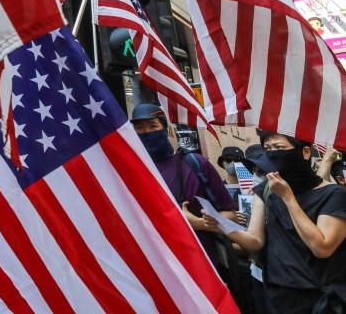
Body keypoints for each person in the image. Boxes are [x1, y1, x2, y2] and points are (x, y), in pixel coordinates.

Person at [224, 131, 346, 311]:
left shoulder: (334, 195)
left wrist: (288, 198)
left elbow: (322, 248)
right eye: (268, 149)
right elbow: (255, 240)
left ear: (305, 152)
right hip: (277, 295)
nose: (273, 154)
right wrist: (219, 225)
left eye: (279, 148)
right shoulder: (265, 190)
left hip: (318, 300)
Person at [130, 104, 240, 285]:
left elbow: (231, 216)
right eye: (139, 128)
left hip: (202, 268)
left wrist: (199, 224)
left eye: (152, 126)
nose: (146, 132)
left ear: (166, 128)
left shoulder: (196, 164)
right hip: (158, 271)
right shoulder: (130, 171)